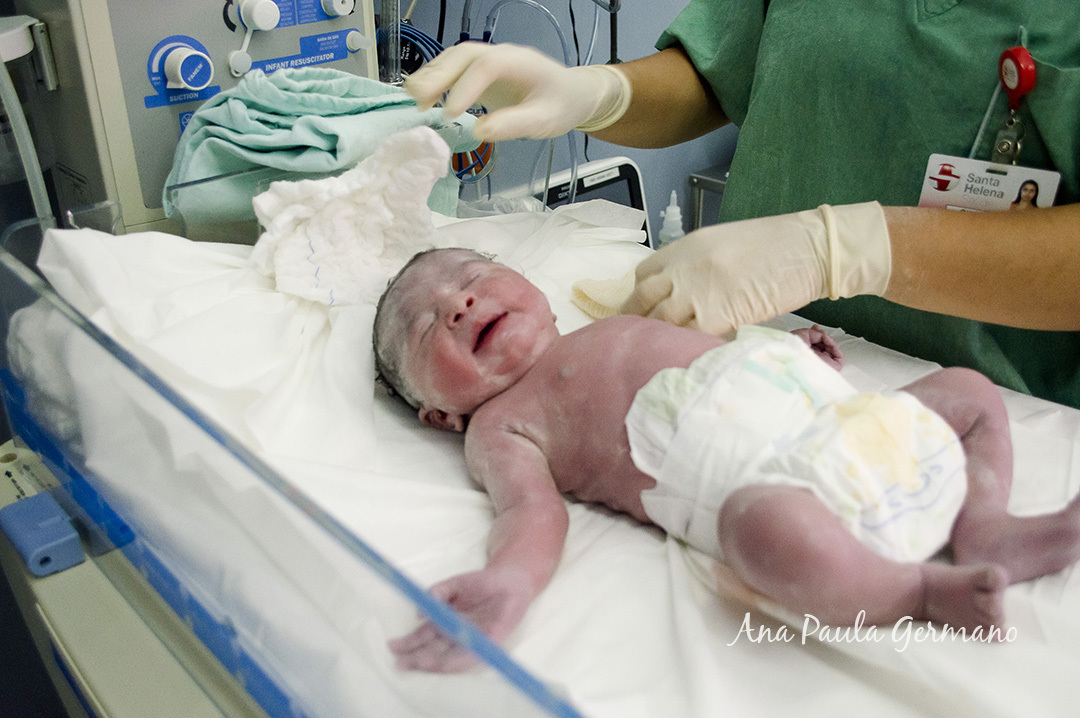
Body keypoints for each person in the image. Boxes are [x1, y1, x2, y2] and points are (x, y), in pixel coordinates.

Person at [373, 247, 1080, 673]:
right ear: (437, 413)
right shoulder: (499, 425)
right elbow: (533, 511)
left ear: (540, 295)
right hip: (783, 493)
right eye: (426, 324)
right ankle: (913, 592)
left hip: (846, 423)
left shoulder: (611, 325)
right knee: (759, 533)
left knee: (969, 391)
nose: (459, 300)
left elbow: (718, 368)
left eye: (472, 275)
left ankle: (987, 523)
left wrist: (792, 359)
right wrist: (509, 579)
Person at [403, 2, 1080, 409]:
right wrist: (595, 94)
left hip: (993, 407)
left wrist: (843, 250)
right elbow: (721, 71)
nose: (463, 304)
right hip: (750, 351)